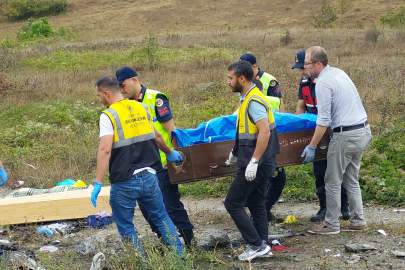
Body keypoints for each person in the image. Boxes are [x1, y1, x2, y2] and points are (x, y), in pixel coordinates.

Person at [90, 75, 184, 256]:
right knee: (162, 217)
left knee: (126, 225)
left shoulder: (108, 115)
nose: (99, 100)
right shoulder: (142, 108)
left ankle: (141, 264)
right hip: (150, 177)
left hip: (124, 181)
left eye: (99, 96)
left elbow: (105, 150)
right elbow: (157, 137)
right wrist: (170, 153)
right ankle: (180, 260)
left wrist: (98, 182)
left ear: (106, 93)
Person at [115, 67, 194, 247]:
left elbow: (171, 131)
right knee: (148, 210)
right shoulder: (127, 105)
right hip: (143, 167)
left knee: (170, 205)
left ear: (134, 80)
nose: (122, 90)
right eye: (118, 87)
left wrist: (175, 157)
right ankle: (168, 242)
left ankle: (189, 242)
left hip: (163, 164)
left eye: (123, 85)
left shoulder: (156, 99)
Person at [301, 46, 372, 235]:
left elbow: (323, 120)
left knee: (332, 180)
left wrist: (312, 146)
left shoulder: (323, 82)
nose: (305, 67)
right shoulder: (338, 73)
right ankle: (358, 220)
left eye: (307, 63)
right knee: (351, 179)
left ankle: (331, 224)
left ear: (318, 63)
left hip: (345, 135)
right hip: (362, 131)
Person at [224, 60, 280, 261]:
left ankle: (255, 244)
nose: (228, 82)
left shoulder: (254, 101)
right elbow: (248, 132)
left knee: (232, 203)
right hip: (262, 162)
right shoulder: (247, 98)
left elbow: (264, 132)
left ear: (241, 78)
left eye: (230, 78)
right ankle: (262, 243)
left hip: (257, 163)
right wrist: (235, 152)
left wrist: (254, 161)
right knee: (256, 203)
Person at [293, 50, 350, 222]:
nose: (301, 71)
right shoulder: (304, 83)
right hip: (314, 131)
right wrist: (299, 128)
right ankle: (324, 207)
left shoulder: (325, 82)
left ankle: (344, 206)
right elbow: (301, 107)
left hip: (331, 130)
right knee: (319, 171)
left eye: (302, 67)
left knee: (338, 170)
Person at [251, 79, 285, 224]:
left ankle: (262, 213)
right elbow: (284, 119)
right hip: (272, 149)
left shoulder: (250, 103)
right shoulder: (273, 101)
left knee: (265, 182)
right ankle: (261, 213)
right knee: (275, 180)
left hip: (260, 151)